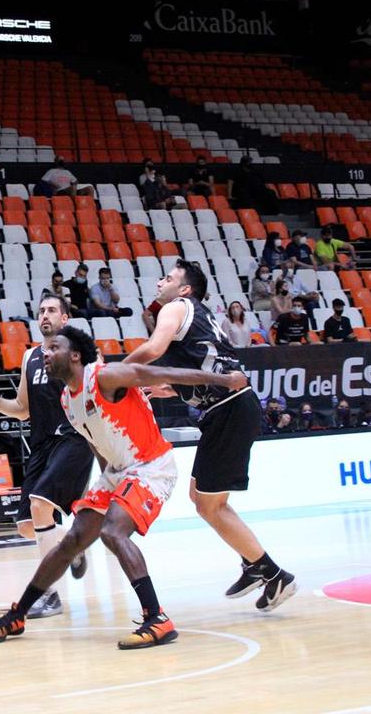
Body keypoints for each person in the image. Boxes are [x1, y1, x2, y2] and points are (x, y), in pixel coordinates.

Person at [0, 325, 250, 647]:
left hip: (151, 466)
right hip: (118, 471)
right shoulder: (69, 398)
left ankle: (157, 618)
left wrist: (224, 380)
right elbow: (97, 443)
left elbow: (161, 371)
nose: (45, 355)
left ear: (75, 355)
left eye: (53, 349)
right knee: (73, 540)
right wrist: (109, 484)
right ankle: (18, 615)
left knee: (112, 531)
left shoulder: (105, 377)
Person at [124, 259, 298, 612]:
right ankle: (257, 566)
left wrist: (116, 370)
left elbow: (155, 349)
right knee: (204, 500)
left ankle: (272, 573)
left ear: (184, 289)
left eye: (169, 278)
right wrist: (170, 387)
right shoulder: (197, 314)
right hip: (228, 408)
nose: (161, 281)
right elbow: (207, 364)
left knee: (209, 504)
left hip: (231, 408)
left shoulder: (175, 307)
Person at [0, 293, 93, 618]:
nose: (45, 315)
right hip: (41, 445)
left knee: (38, 507)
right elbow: (21, 410)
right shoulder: (30, 357)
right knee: (26, 526)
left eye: (51, 310)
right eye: (41, 311)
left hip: (71, 440)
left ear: (65, 318)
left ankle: (49, 596)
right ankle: (74, 544)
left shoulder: (77, 355)